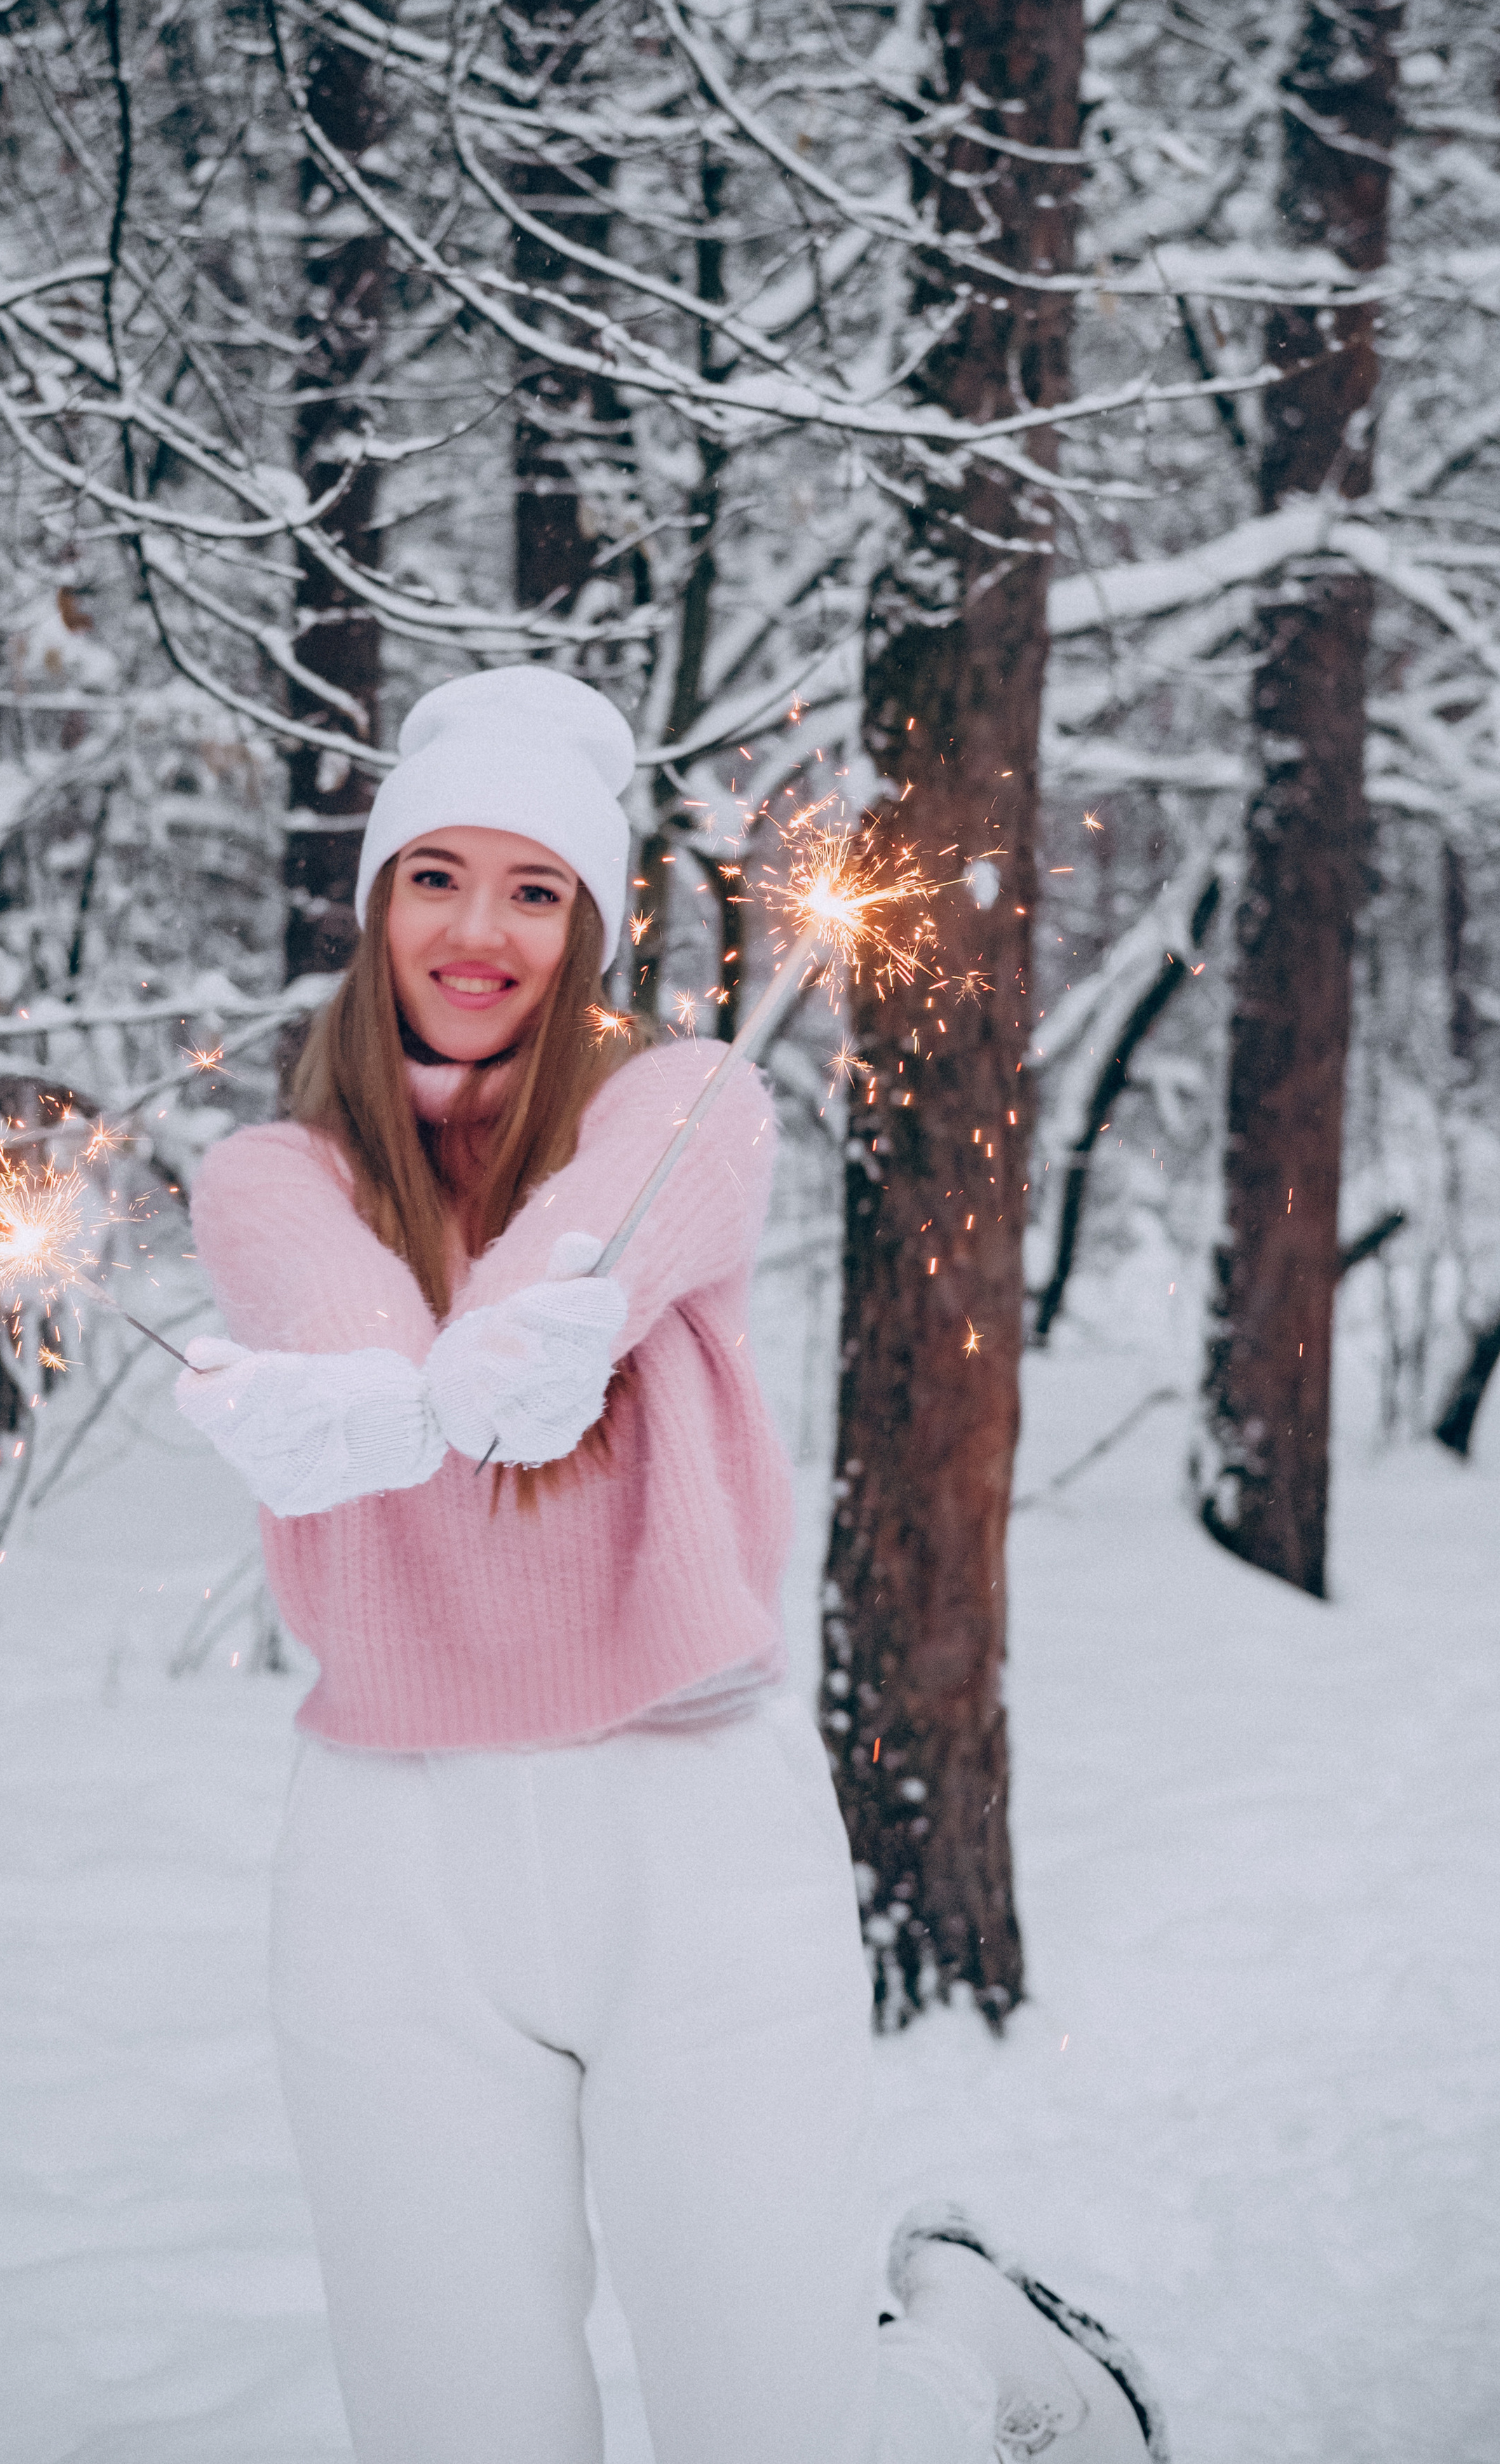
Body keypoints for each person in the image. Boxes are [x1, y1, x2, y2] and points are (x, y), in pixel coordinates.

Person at [176, 668, 1165, 2464]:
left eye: (535, 889)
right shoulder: (266, 1172)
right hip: (391, 1865)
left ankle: (974, 2370)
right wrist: (359, 1389)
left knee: (767, 2415)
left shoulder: (688, 1101)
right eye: (436, 877)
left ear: (592, 923)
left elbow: (607, 1229)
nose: (479, 932)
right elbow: (319, 1289)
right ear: (376, 898)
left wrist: (537, 1323)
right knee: (450, 2421)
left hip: (692, 1834)